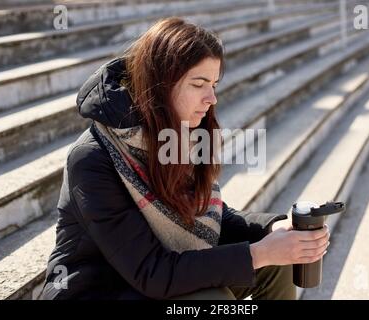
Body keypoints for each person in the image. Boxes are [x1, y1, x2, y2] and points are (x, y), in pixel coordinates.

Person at [40, 17, 330, 300]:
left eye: (214, 84)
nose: (211, 98)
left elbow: (211, 215)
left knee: (273, 268)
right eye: (198, 83)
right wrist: (260, 252)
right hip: (100, 288)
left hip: (156, 278)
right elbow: (151, 271)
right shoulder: (93, 157)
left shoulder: (176, 134)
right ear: (160, 83)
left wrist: (274, 228)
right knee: (211, 298)